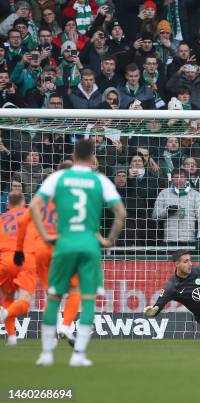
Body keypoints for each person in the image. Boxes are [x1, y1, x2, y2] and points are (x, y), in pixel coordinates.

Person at [28, 139, 126, 367]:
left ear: (73, 154)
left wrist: (46, 235)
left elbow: (33, 207)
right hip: (90, 245)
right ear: (93, 157)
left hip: (63, 244)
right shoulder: (99, 180)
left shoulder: (58, 177)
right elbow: (121, 213)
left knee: (54, 297)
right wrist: (109, 240)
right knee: (88, 298)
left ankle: (46, 354)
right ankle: (79, 355)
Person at [9, 162, 81, 347]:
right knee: (75, 290)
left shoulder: (42, 196)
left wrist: (18, 249)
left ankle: (52, 332)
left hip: (40, 249)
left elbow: (23, 222)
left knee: (52, 294)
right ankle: (65, 326)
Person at [0, 192, 28, 345]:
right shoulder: (29, 214)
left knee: (8, 297)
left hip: (5, 261)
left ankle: (11, 337)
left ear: (7, 204)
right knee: (25, 300)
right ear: (24, 202)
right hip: (25, 259)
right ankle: (6, 315)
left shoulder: (1, 218)